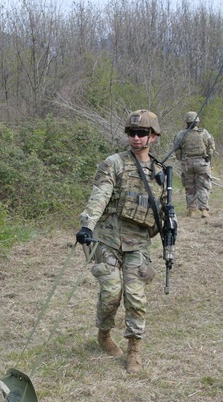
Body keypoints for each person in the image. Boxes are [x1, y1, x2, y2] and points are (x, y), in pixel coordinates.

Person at [75, 110, 166, 373]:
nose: (136, 138)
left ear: (154, 137)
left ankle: (134, 349)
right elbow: (100, 195)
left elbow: (162, 209)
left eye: (142, 133)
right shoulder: (113, 163)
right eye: (131, 133)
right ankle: (104, 333)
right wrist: (87, 224)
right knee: (111, 294)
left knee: (135, 297)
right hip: (108, 239)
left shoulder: (160, 171)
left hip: (138, 243)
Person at [172, 111, 216, 219]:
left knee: (190, 187)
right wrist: (208, 159)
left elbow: (177, 151)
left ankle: (191, 210)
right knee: (203, 186)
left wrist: (183, 159)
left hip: (187, 163)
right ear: (197, 121)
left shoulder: (180, 135)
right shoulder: (204, 133)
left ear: (186, 121)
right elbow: (211, 148)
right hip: (201, 163)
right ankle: (204, 210)